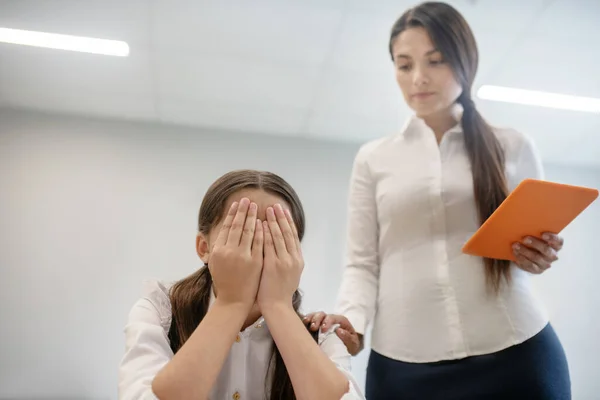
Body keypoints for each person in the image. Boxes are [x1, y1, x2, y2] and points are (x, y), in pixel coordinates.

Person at [304, 2, 571, 399]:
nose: (419, 78)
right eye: (404, 64)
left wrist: (539, 256)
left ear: (465, 61)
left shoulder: (512, 146)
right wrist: (353, 325)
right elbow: (362, 264)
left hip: (517, 354)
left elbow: (529, 246)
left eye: (436, 60)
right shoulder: (374, 158)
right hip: (404, 367)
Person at [118, 170, 364, 400]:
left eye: (277, 237)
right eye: (241, 234)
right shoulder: (158, 313)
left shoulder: (321, 335)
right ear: (204, 248)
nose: (257, 250)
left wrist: (278, 306)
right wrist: (231, 302)